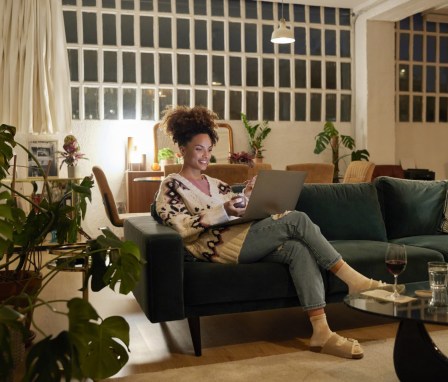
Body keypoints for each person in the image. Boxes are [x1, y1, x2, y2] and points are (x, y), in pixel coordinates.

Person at [155, 105, 388, 360]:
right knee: (296, 220)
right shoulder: (171, 185)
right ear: (182, 149)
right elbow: (180, 226)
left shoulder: (217, 184)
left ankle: (321, 331)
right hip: (219, 249)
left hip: (244, 237)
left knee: (298, 250)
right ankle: (353, 280)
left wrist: (248, 196)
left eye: (209, 150)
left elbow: (237, 208)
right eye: (199, 148)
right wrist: (224, 211)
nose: (205, 156)